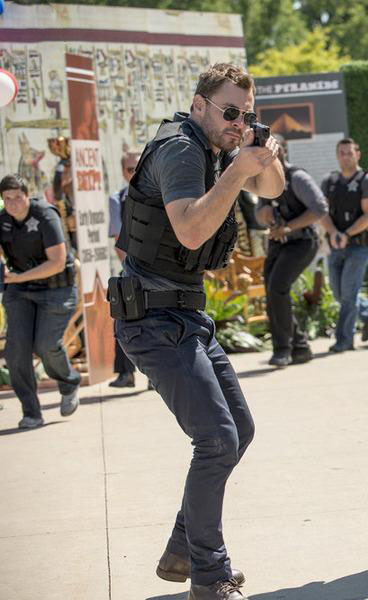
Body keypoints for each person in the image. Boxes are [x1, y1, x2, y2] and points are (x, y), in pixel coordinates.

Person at [111, 63, 283, 600]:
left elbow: (273, 189)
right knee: (216, 440)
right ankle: (209, 577)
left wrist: (261, 152)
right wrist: (237, 171)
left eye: (245, 114)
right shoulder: (183, 150)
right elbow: (188, 230)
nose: (237, 123)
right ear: (200, 104)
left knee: (239, 430)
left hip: (184, 316)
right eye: (229, 112)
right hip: (152, 318)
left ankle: (184, 548)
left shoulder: (218, 149)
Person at [0, 174, 80, 429]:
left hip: (56, 289)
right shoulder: (3, 220)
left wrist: (20, 276)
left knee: (45, 345)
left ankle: (68, 382)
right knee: (16, 352)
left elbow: (57, 262)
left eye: (17, 197)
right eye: (7, 199)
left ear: (27, 194)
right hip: (19, 291)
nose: (12, 204)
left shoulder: (45, 215)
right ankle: (31, 412)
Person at [255, 137, 328, 367]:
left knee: (278, 286)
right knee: (272, 290)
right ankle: (300, 346)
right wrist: (264, 215)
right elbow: (259, 215)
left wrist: (288, 227)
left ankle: (283, 349)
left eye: (276, 149)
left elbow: (320, 208)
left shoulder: (297, 177)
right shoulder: (263, 182)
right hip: (280, 242)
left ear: (283, 151)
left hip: (303, 242)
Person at [320, 138, 368, 352]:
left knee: (347, 293)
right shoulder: (329, 181)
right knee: (338, 293)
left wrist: (346, 233)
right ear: (337, 156)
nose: (345, 156)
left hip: (360, 245)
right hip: (336, 243)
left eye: (349, 152)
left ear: (358, 154)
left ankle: (344, 340)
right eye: (342, 153)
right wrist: (335, 232)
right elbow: (323, 212)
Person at [107, 151, 140, 387]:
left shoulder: (161, 192)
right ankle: (125, 373)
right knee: (122, 317)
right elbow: (119, 239)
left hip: (162, 269)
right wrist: (132, 270)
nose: (135, 173)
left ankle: (154, 376)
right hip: (132, 268)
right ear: (122, 172)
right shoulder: (117, 199)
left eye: (138, 168)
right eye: (130, 169)